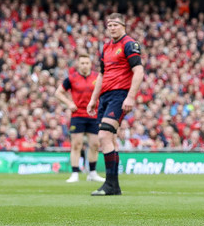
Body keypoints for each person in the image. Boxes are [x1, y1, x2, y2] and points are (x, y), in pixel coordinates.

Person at [87, 13, 144, 196]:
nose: (112, 28)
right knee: (108, 139)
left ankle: (110, 184)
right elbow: (102, 76)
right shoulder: (105, 47)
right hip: (104, 96)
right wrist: (93, 99)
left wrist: (130, 97)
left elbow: (139, 71)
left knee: (103, 136)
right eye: (109, 25)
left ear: (123, 26)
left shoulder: (129, 44)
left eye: (115, 24)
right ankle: (114, 187)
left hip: (119, 95)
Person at [55, 52, 106, 183]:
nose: (84, 65)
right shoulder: (71, 78)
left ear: (90, 64)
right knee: (76, 144)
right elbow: (58, 93)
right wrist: (69, 103)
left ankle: (92, 173)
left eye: (87, 63)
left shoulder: (97, 77)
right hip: (78, 115)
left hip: (93, 115)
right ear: (78, 64)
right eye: (82, 63)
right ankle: (75, 173)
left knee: (94, 144)